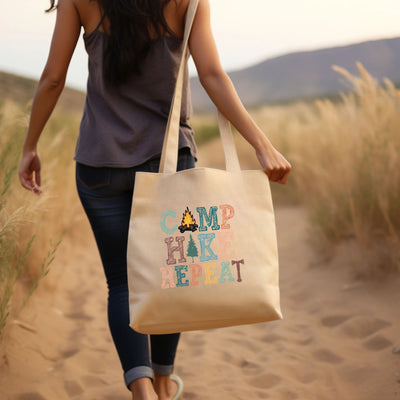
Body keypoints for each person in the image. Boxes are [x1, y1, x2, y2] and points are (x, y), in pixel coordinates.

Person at [19, 0, 291, 398]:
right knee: (172, 274)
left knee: (122, 283)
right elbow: (213, 75)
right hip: (169, 165)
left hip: (100, 164)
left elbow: (53, 79)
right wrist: (262, 145)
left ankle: (141, 388)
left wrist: (30, 145)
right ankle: (163, 384)